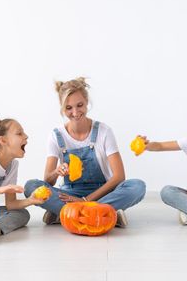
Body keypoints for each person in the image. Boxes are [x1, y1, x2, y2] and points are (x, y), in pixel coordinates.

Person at [24, 77, 146, 227]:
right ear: (62, 108)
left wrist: (85, 201)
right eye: (68, 108)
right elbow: (48, 181)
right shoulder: (56, 135)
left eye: (79, 105)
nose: (75, 112)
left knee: (138, 186)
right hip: (69, 194)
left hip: (103, 191)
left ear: (87, 102)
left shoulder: (104, 131)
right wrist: (56, 171)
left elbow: (119, 177)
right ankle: (105, 213)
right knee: (31, 186)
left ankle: (70, 214)